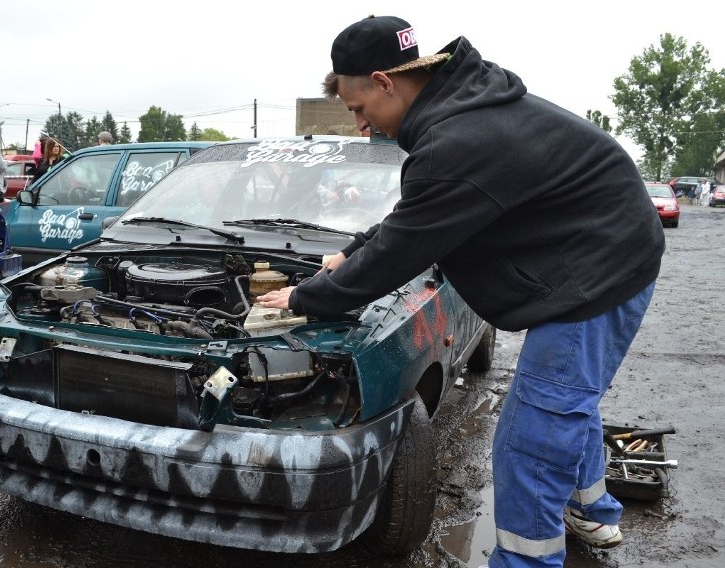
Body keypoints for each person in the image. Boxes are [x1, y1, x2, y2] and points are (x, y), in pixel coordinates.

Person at [257, 15, 665, 568]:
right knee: (568, 403)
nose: (359, 125)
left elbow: (406, 245)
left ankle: (527, 560)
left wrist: (308, 298)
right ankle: (591, 508)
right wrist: (352, 252)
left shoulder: (457, 138)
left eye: (358, 109)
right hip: (607, 248)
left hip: (598, 273)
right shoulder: (461, 109)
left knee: (533, 439)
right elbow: (419, 213)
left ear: (384, 81)